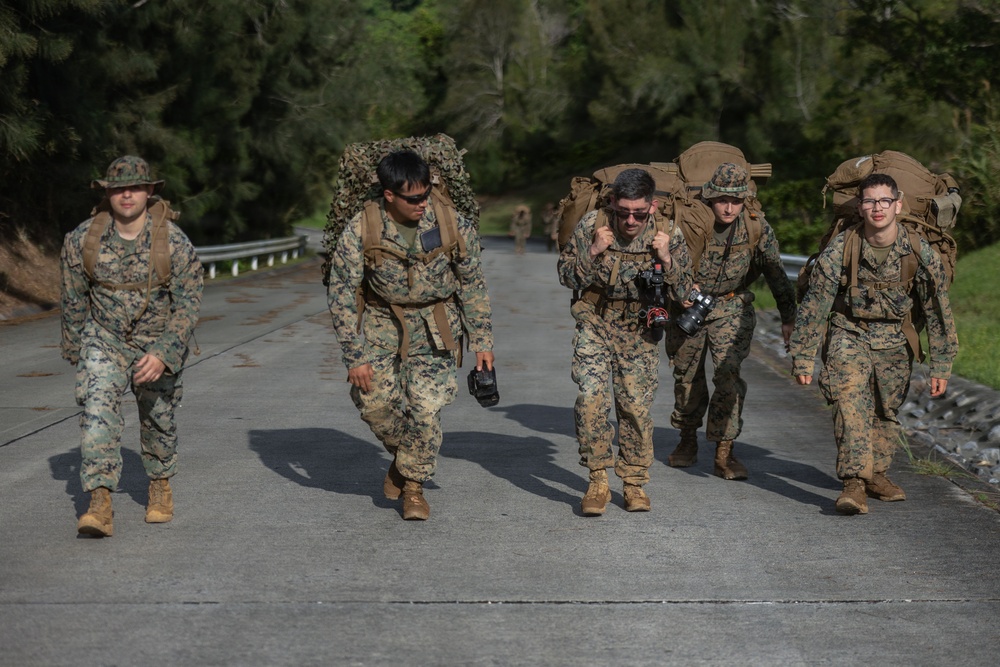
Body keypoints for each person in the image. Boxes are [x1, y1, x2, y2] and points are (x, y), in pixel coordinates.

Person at [326, 150, 495, 521]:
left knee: (426, 409)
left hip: (437, 323)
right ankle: (407, 459)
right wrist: (354, 355)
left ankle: (413, 488)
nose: (422, 204)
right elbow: (341, 292)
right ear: (389, 195)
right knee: (371, 402)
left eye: (426, 194)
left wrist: (482, 341)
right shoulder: (363, 227)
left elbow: (473, 284)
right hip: (382, 322)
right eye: (414, 198)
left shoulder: (450, 222)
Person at [789, 173, 958, 515]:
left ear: (898, 205)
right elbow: (815, 304)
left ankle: (876, 474)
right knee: (849, 401)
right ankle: (854, 482)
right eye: (869, 201)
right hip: (849, 332)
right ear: (860, 207)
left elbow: (937, 309)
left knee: (886, 410)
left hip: (896, 338)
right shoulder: (844, 246)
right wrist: (803, 356)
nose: (877, 208)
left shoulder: (917, 250)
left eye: (884, 201)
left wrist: (941, 365)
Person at [60, 156, 203, 537]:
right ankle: (99, 503)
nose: (127, 195)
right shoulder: (82, 239)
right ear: (106, 192)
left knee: (158, 417)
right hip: (104, 338)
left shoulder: (173, 241)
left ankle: (160, 484)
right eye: (119, 188)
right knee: (97, 415)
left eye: (135, 188)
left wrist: (164, 353)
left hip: (157, 340)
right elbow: (73, 297)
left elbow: (188, 304)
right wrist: (77, 349)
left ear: (149, 191)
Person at [558, 168, 692, 515]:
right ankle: (597, 480)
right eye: (623, 212)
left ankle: (633, 483)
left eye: (639, 213)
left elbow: (686, 292)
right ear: (613, 204)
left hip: (640, 329)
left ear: (653, 206)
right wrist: (593, 251)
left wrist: (667, 259)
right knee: (590, 400)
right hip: (596, 322)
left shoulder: (668, 233)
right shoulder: (593, 225)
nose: (630, 221)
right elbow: (565, 275)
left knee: (635, 408)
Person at [664, 163, 796, 480]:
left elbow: (775, 272)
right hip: (688, 307)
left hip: (731, 305)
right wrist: (679, 292)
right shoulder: (690, 224)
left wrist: (788, 316)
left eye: (736, 201)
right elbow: (666, 264)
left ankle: (725, 449)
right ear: (710, 197)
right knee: (687, 377)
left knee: (728, 373)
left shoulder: (755, 226)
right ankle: (687, 438)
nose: (728, 208)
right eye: (722, 200)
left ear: (744, 200)